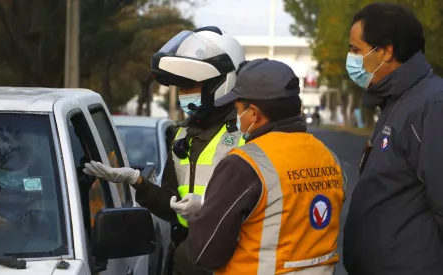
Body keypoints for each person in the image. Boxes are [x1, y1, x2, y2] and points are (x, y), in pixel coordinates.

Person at [82, 26, 246, 275]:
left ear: (220, 83)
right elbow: (171, 206)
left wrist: (206, 208)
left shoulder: (246, 135)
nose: (183, 94)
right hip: (185, 259)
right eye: (180, 87)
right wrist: (136, 181)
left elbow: (263, 207)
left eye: (191, 85)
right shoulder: (183, 135)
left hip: (230, 261)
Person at [185, 58, 347, 275]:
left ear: (253, 113)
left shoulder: (243, 164)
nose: (237, 118)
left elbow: (206, 252)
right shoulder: (328, 157)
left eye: (237, 109)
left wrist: (204, 215)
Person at [343, 3, 443, 274]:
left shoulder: (432, 105)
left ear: (385, 51)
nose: (350, 58)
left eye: (355, 49)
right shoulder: (395, 100)